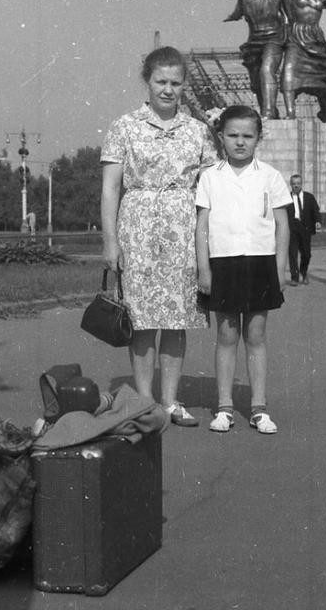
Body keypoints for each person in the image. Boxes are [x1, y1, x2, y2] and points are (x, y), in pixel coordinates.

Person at [100, 46, 217, 427]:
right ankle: (144, 402)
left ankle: (169, 401)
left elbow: (214, 185)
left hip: (184, 230)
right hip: (138, 231)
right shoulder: (124, 126)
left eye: (175, 82)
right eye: (160, 81)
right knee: (144, 319)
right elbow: (110, 189)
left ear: (184, 86)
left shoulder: (198, 130)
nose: (168, 89)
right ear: (147, 82)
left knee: (177, 318)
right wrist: (110, 241)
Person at [195, 105, 290, 434]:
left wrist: (281, 267)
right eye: (233, 135)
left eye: (247, 136)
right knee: (226, 335)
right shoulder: (210, 177)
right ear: (221, 137)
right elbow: (202, 227)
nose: (240, 142)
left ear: (258, 139)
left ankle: (259, 408)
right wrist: (203, 269)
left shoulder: (270, 176)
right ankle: (224, 407)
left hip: (260, 262)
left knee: (256, 335)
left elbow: (282, 225)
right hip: (223, 262)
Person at [286, 173, 321, 286]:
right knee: (292, 253)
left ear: (301, 184)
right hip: (292, 228)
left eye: (298, 183)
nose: (296, 186)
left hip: (305, 228)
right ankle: (294, 278)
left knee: (306, 254)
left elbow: (316, 210)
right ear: (291, 185)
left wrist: (317, 221)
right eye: (294, 184)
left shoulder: (309, 197)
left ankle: (303, 272)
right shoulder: (286, 198)